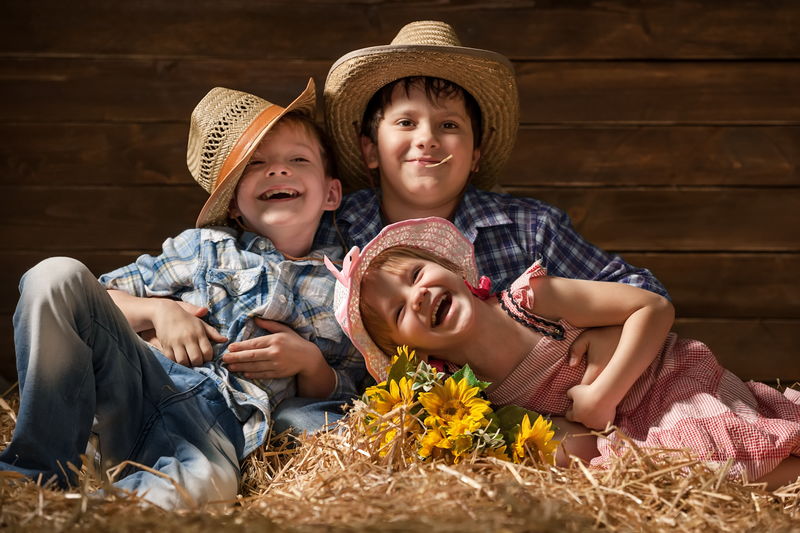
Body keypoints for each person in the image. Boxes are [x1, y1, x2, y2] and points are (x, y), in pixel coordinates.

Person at [273, 20, 669, 433]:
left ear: (476, 155)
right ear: (370, 149)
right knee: (298, 420)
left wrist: (611, 335)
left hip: (533, 420)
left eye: (449, 125)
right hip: (395, 417)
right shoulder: (334, 224)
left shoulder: (529, 226)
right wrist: (195, 308)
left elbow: (644, 293)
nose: (427, 138)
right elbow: (251, 253)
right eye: (406, 123)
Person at [0, 79, 365, 509]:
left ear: (331, 193)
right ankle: (31, 474)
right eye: (256, 164)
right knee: (54, 276)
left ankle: (83, 509)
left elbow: (347, 388)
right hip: (139, 380)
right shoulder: (204, 246)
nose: (277, 170)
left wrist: (309, 362)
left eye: (298, 160)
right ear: (234, 206)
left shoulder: (344, 287)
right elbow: (97, 300)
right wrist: (158, 311)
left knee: (209, 487)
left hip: (211, 427)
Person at [325, 216, 800, 490]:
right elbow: (575, 441)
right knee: (662, 478)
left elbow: (652, 308)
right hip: (634, 437)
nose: (419, 296)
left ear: (446, 266)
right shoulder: (480, 398)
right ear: (412, 352)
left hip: (671, 386)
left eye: (415, 277)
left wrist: (602, 395)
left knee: (712, 459)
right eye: (400, 310)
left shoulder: (535, 301)